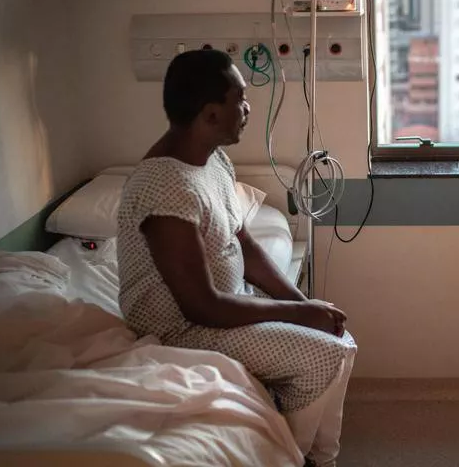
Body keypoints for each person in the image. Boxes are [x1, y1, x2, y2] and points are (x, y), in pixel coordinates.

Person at [116, 49, 356, 467]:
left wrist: (304, 305)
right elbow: (201, 306)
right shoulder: (165, 187)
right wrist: (299, 317)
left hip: (224, 305)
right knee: (325, 354)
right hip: (182, 328)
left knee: (340, 338)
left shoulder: (213, 161)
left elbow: (244, 243)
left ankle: (322, 456)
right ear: (210, 115)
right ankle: (291, 457)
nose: (248, 108)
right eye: (240, 99)